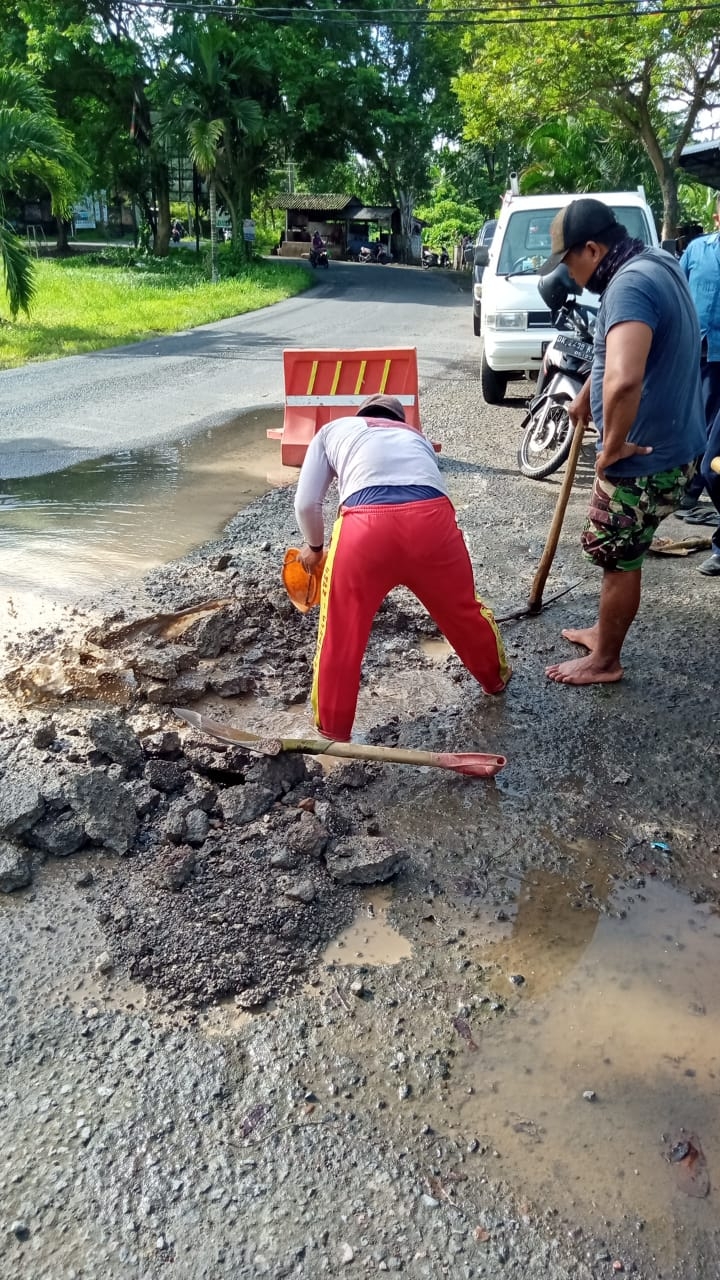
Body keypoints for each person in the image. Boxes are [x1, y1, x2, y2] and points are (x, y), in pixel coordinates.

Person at [538, 198, 707, 686]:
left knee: (617, 555)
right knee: (619, 550)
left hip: (644, 455)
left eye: (570, 262)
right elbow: (616, 354)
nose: (570, 275)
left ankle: (605, 660)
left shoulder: (628, 285)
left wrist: (610, 445)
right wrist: (584, 396)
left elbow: (626, 380)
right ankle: (603, 631)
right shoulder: (655, 262)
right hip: (676, 442)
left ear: (592, 248)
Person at [294, 393, 511, 741]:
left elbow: (307, 503)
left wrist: (315, 547)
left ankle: (333, 731)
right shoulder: (416, 438)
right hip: (432, 523)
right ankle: (494, 679)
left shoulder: (334, 430)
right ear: (399, 421)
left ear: (362, 414)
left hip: (365, 531)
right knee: (463, 611)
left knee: (341, 631)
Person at [676, 194, 720, 571]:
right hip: (700, 350)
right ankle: (691, 489)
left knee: (713, 453)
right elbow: (677, 290)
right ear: (717, 216)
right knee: (699, 426)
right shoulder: (696, 250)